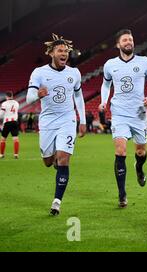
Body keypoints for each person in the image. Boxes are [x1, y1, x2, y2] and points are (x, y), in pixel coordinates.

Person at [26, 33, 86, 215]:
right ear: (51, 53)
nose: (64, 54)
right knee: (47, 161)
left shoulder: (74, 73)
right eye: (60, 50)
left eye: (66, 51)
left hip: (67, 120)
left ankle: (57, 202)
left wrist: (82, 120)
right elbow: (29, 98)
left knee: (64, 159)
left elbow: (78, 96)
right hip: (47, 122)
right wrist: (38, 94)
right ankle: (53, 162)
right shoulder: (39, 73)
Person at [99, 29, 147, 208]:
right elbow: (105, 84)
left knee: (141, 152)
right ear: (118, 44)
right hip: (118, 113)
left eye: (130, 39)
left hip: (139, 114)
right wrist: (104, 101)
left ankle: (139, 168)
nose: (128, 42)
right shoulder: (110, 64)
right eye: (125, 40)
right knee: (120, 150)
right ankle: (122, 194)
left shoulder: (144, 62)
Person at [0, 91, 20, 159]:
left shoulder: (4, 103)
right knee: (15, 139)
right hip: (14, 122)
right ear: (12, 96)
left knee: (3, 139)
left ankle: (2, 154)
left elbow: (1, 114)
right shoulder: (17, 103)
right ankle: (16, 155)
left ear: (6, 96)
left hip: (7, 122)